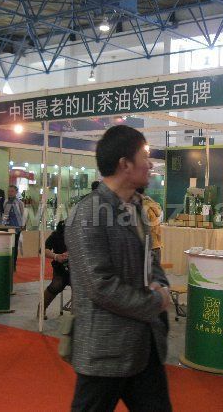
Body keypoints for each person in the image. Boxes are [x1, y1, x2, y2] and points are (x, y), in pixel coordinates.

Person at [65, 125, 172, 412]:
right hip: (106, 349)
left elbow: (151, 260)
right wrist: (155, 301)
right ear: (125, 164)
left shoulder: (137, 207)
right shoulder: (87, 214)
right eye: (144, 156)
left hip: (144, 346)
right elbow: (100, 285)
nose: (150, 165)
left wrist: (161, 284)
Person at [39, 220, 68, 320]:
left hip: (77, 268)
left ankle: (78, 312)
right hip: (61, 268)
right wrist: (56, 256)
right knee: (56, 285)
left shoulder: (81, 235)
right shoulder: (55, 235)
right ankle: (41, 308)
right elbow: (43, 250)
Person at [136, 187, 163, 265]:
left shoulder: (141, 208)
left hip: (147, 245)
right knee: (156, 268)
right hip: (156, 244)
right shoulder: (152, 206)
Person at [2, 185, 24, 270]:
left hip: (16, 227)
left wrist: (21, 226)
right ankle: (6, 264)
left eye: (12, 191)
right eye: (9, 191)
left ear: (16, 192)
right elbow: (4, 214)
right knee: (6, 245)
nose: (10, 193)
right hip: (7, 226)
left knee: (14, 246)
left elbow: (22, 215)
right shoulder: (5, 201)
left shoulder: (20, 203)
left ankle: (13, 265)